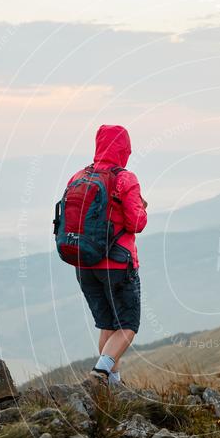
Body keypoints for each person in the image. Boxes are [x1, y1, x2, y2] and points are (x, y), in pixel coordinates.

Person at [68, 124, 147, 387]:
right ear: (124, 149)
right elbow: (136, 223)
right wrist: (142, 208)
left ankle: (113, 386)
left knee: (108, 325)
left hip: (84, 263)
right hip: (116, 265)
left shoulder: (79, 176)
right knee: (127, 325)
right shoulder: (125, 179)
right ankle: (100, 373)